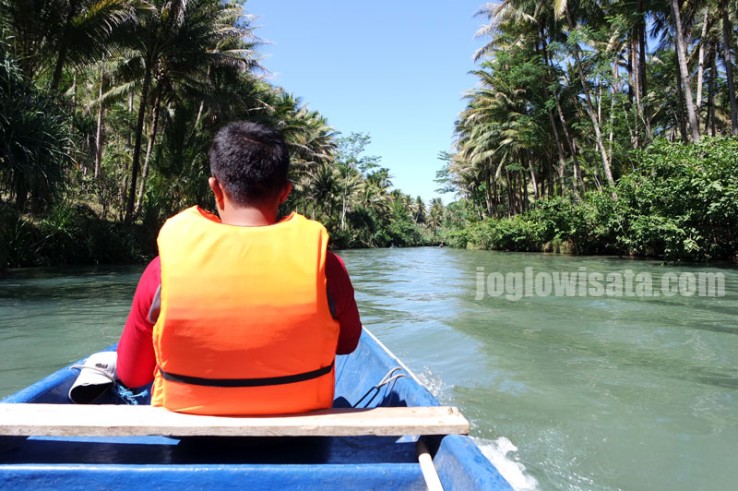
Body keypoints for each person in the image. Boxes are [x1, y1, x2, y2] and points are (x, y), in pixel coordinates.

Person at [116, 121, 362, 415]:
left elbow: (131, 375)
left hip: (194, 433)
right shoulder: (328, 268)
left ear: (215, 188)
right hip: (298, 425)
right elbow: (346, 345)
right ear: (285, 192)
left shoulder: (161, 272)